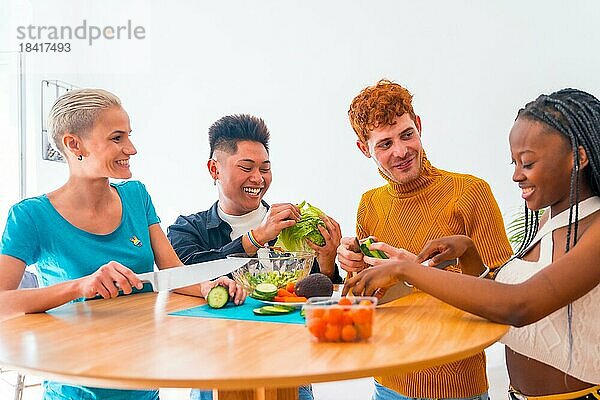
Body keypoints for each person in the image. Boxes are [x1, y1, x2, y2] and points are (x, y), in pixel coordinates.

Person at [345, 88, 600, 399]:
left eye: (528, 163)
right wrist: (469, 253)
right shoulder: (551, 221)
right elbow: (495, 289)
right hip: (407, 383)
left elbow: (518, 305)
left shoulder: (592, 228)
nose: (516, 176)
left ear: (579, 158)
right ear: (364, 148)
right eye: (514, 164)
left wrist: (408, 271)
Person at [0, 89, 246, 400]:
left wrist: (209, 286)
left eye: (128, 136)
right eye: (117, 138)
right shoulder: (30, 216)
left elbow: (171, 271)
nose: (131, 148)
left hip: (142, 381)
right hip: (76, 389)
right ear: (74, 144)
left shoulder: (136, 196)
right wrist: (80, 286)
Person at [337, 79, 513, 400]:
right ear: (364, 149)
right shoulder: (369, 204)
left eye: (407, 135)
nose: (401, 151)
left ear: (418, 126)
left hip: (458, 386)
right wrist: (354, 267)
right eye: (384, 144)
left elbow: (504, 297)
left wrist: (416, 272)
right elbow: (371, 300)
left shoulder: (470, 192)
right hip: (386, 381)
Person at [167, 114, 343, 400]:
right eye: (246, 167)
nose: (258, 179)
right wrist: (256, 238)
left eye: (265, 168)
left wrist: (327, 259)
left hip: (289, 369)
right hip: (214, 371)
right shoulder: (187, 228)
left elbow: (317, 292)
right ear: (214, 169)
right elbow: (186, 274)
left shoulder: (292, 228)